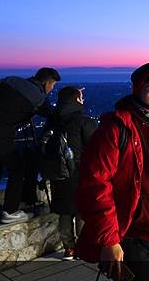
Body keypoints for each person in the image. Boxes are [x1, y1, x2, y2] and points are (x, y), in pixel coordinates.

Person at [76, 62, 149, 281]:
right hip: (130, 234)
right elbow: (95, 185)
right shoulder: (116, 129)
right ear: (137, 89)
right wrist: (110, 240)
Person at [0, 67, 61, 224]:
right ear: (47, 82)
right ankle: (11, 211)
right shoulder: (37, 96)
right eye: (52, 85)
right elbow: (52, 114)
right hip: (2, 131)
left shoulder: (12, 80)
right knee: (17, 167)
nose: (51, 89)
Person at [44, 86, 97, 260]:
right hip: (80, 174)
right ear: (76, 99)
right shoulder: (83, 121)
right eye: (80, 96)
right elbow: (96, 149)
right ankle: (82, 248)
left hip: (58, 175)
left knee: (65, 214)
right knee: (82, 212)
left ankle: (69, 249)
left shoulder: (53, 121)